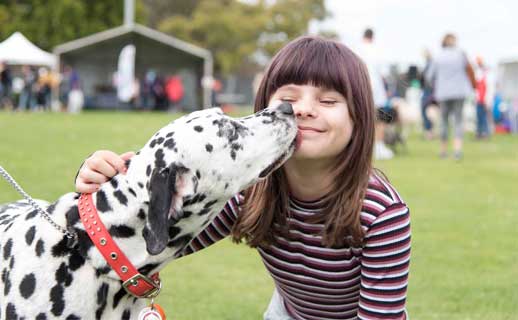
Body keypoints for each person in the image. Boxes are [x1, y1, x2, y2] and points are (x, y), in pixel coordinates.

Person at [75, 36, 411, 320]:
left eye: (327, 100)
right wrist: (108, 184)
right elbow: (156, 240)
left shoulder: (382, 214)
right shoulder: (248, 190)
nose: (303, 109)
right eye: (288, 99)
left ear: (360, 119)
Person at [426, 33, 474, 160]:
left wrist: (436, 85)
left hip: (443, 93)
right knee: (458, 120)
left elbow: (429, 77)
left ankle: (443, 150)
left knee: (443, 121)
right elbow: (469, 70)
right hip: (460, 92)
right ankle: (457, 150)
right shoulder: (461, 54)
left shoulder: (438, 56)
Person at [355, 28, 393, 160]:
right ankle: (379, 146)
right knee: (380, 119)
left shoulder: (356, 49)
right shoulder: (378, 50)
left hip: (360, 86)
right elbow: (385, 73)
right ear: (373, 37)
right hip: (377, 88)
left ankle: (365, 146)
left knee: (362, 118)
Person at [474, 56, 490, 139]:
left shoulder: (484, 75)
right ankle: (479, 133)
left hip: (483, 100)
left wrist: (486, 100)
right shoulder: (479, 75)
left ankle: (484, 133)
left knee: (483, 118)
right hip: (478, 100)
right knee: (479, 117)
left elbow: (486, 90)